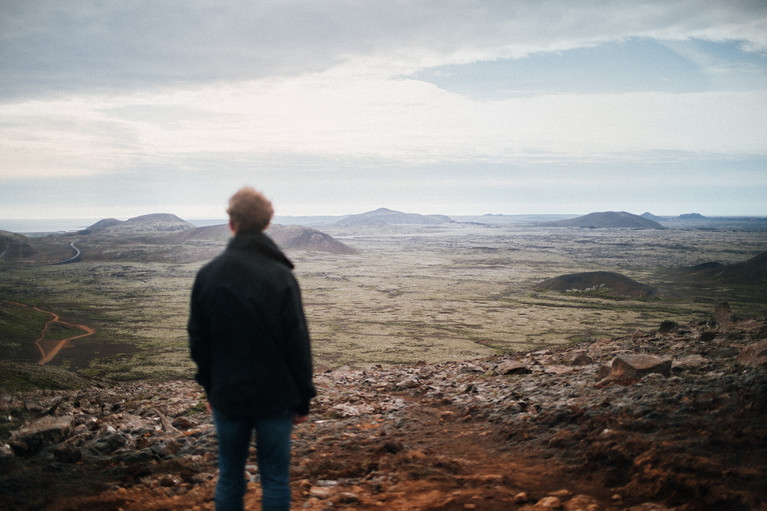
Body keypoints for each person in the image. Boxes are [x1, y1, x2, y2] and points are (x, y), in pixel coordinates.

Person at [188, 187, 316, 511]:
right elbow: (297, 343)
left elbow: (198, 342)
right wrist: (303, 398)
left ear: (231, 222)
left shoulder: (208, 275)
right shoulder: (281, 276)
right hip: (276, 398)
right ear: (266, 223)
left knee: (229, 477)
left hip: (228, 397)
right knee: (275, 479)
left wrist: (210, 389)